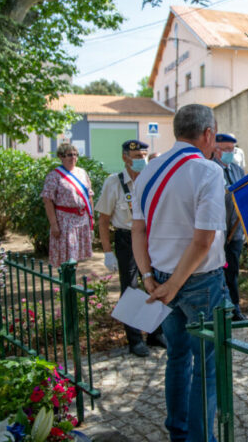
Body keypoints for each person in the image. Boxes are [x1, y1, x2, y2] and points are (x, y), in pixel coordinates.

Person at [132, 104, 226, 442]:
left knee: (177, 357)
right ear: (207, 134)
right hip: (199, 281)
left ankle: (178, 432)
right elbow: (203, 241)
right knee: (207, 367)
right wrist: (174, 284)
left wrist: (149, 278)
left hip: (159, 277)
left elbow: (137, 231)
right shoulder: (207, 171)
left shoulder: (148, 171)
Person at [95, 139, 166, 357]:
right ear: (125, 157)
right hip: (126, 239)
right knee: (131, 288)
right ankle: (134, 339)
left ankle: (156, 333)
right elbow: (103, 220)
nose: (141, 160)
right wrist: (108, 252)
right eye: (136, 157)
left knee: (156, 284)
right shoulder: (113, 182)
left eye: (144, 156)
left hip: (151, 237)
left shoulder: (151, 179)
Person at [213, 133, 248, 320]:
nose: (230, 153)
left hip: (235, 231)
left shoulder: (236, 169)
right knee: (218, 271)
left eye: (232, 149)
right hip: (217, 231)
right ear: (216, 149)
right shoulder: (211, 169)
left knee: (232, 270)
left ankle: (234, 307)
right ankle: (223, 307)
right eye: (226, 149)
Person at [42, 143, 93, 269]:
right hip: (65, 220)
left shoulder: (82, 173)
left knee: (77, 255)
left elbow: (89, 195)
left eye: (76, 155)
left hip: (81, 218)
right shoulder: (54, 176)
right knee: (67, 256)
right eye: (69, 155)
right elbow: (47, 200)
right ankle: (66, 285)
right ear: (61, 156)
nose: (73, 158)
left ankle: (72, 283)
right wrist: (53, 224)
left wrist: (91, 217)